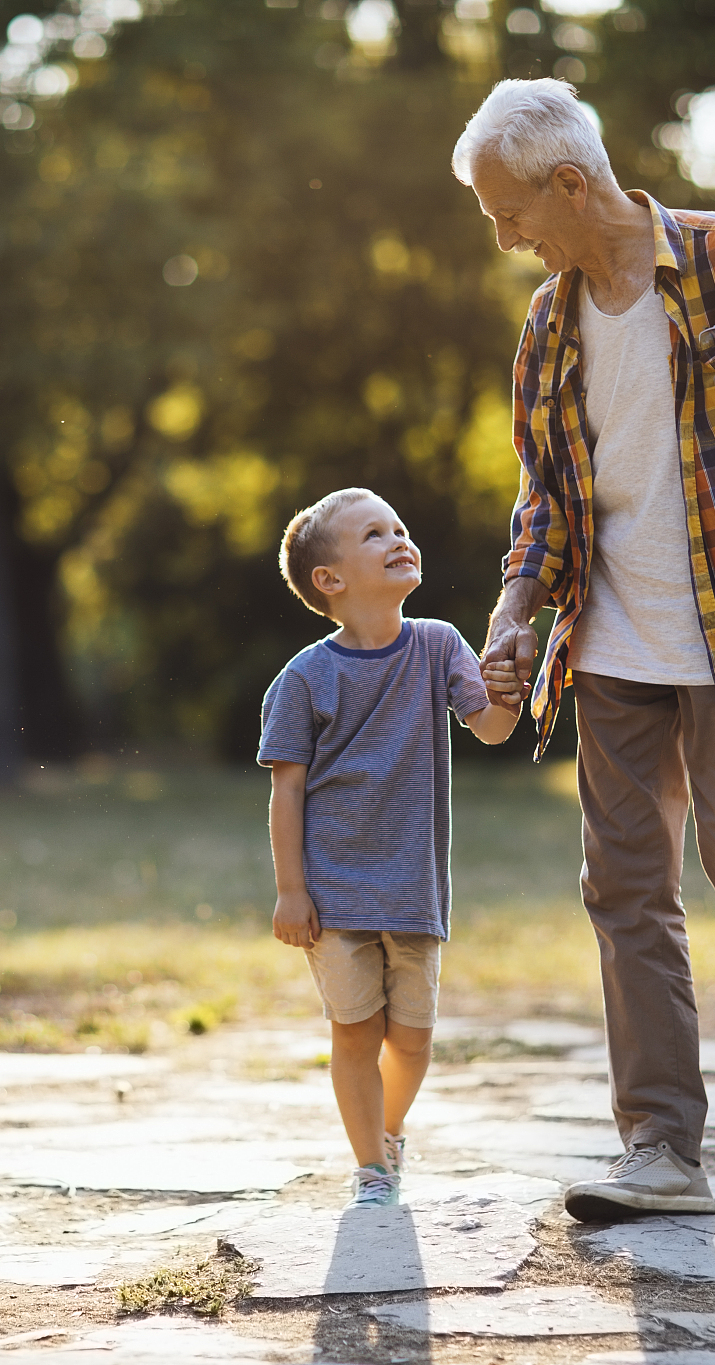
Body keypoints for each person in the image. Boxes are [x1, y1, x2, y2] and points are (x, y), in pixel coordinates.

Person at [454, 80, 715, 1220]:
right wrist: (513, 615)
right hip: (614, 646)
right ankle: (658, 1146)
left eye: (508, 212)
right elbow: (546, 497)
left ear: (568, 182)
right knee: (626, 892)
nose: (503, 238)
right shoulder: (548, 324)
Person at [258, 488, 521, 1208]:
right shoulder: (304, 679)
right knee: (355, 1031)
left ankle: (388, 1126)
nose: (399, 538)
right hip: (333, 891)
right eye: (375, 533)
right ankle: (371, 1164)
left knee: (411, 1040)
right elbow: (286, 791)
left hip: (412, 889)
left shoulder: (438, 645)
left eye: (400, 527)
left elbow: (492, 728)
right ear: (331, 580)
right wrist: (291, 889)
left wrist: (510, 688)